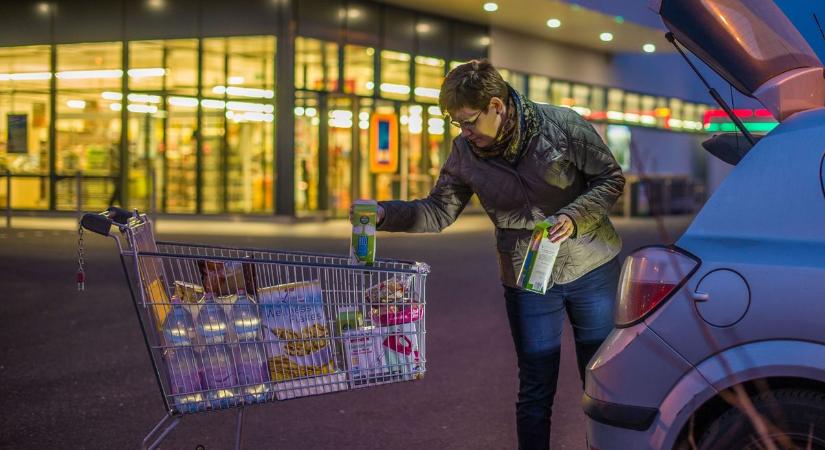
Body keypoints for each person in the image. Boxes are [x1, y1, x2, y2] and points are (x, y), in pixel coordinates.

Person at [358, 59, 625, 450]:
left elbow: (610, 177)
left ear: (496, 107)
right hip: (526, 275)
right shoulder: (465, 153)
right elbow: (437, 210)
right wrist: (383, 214)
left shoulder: (561, 126)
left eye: (468, 121)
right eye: (457, 124)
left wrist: (575, 214)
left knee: (602, 379)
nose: (464, 132)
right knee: (535, 385)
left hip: (592, 265)